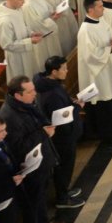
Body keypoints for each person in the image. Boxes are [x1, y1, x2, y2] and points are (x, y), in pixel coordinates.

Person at [0, 77, 63, 223]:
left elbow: (37, 123)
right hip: (29, 166)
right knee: (31, 202)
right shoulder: (8, 116)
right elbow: (18, 147)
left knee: (41, 194)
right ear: (18, 95)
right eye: (30, 91)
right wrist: (43, 133)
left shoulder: (27, 105)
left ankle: (43, 222)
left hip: (42, 160)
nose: (35, 93)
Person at [76, 0, 112, 140]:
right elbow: (90, 56)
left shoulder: (100, 20)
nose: (103, 8)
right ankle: (111, 134)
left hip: (110, 65)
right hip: (100, 72)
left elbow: (110, 32)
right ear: (91, 9)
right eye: (100, 6)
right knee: (106, 98)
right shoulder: (85, 30)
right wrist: (109, 49)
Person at [35, 56, 85, 210]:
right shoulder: (52, 93)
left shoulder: (52, 84)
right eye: (64, 68)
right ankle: (62, 198)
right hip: (63, 137)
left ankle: (65, 190)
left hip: (65, 134)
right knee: (64, 166)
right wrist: (78, 107)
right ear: (54, 71)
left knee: (65, 166)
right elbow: (61, 117)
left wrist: (71, 102)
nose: (67, 71)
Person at [0, 0, 47, 81]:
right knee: (21, 83)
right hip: (17, 58)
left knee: (31, 77)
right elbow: (7, 45)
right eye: (21, 0)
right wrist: (30, 41)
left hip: (26, 52)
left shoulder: (17, 10)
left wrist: (31, 33)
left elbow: (23, 26)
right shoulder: (4, 21)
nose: (23, 3)